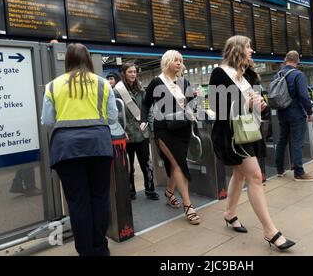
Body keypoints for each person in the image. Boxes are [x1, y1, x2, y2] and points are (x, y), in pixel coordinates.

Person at [209, 35, 295, 251]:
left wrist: (260, 103)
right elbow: (216, 108)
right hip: (230, 134)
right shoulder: (219, 73)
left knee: (240, 175)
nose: (251, 50)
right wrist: (245, 102)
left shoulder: (249, 74)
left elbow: (255, 103)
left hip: (248, 131)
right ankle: (270, 231)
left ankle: (229, 214)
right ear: (237, 49)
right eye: (248, 47)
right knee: (255, 176)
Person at [41, 43, 118, 256]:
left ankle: (85, 251)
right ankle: (100, 248)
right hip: (99, 147)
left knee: (77, 201)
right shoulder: (103, 84)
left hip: (66, 149)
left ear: (67, 60)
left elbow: (47, 120)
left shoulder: (53, 86)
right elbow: (112, 117)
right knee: (100, 198)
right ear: (89, 60)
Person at [141, 50, 200, 225]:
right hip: (164, 130)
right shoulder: (156, 82)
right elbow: (145, 103)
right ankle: (188, 206)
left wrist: (194, 100)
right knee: (178, 164)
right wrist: (144, 120)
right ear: (167, 62)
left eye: (181, 60)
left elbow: (190, 103)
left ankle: (169, 192)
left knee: (176, 163)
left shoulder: (184, 82)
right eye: (175, 60)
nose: (179, 63)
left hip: (183, 128)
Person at [114, 63, 159, 201]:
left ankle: (150, 190)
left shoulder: (141, 90)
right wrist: (121, 131)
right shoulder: (116, 91)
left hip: (141, 133)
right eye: (130, 72)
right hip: (126, 134)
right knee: (128, 166)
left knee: (146, 163)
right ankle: (130, 191)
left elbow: (148, 110)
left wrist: (151, 128)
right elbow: (114, 115)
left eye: (134, 72)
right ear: (124, 73)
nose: (133, 74)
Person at [275, 51, 313, 182]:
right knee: (297, 142)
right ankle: (299, 172)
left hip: (282, 112)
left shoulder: (278, 74)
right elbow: (304, 96)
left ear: (285, 59)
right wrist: (309, 112)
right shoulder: (298, 74)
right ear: (297, 61)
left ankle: (280, 170)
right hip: (295, 113)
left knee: (282, 140)